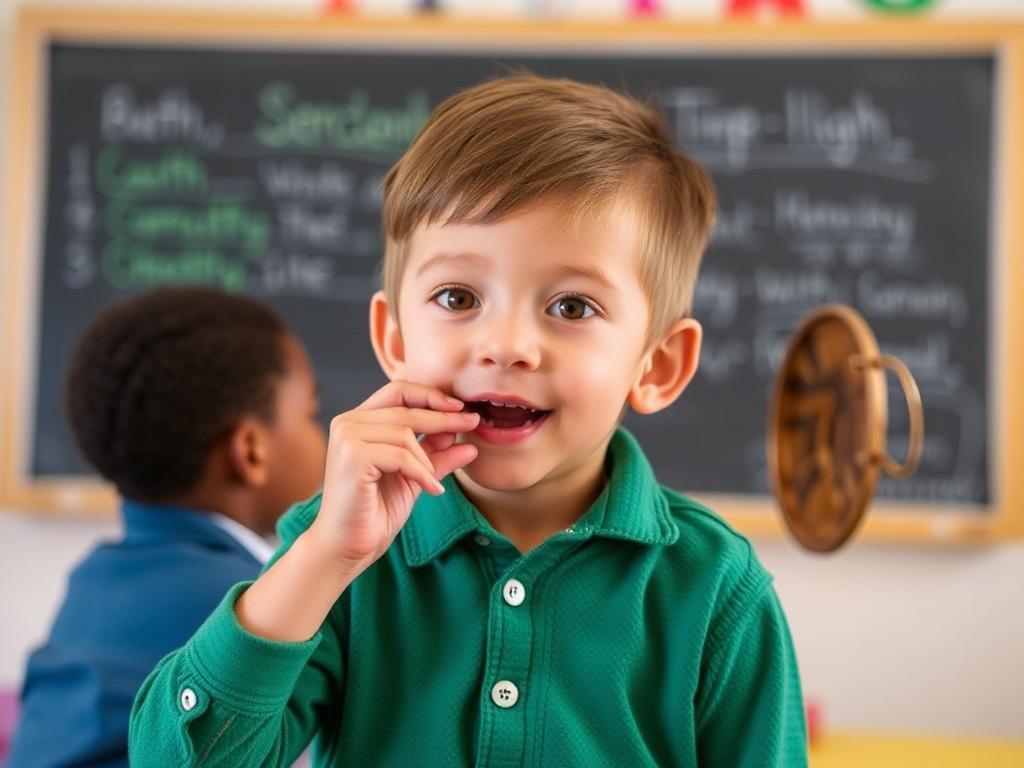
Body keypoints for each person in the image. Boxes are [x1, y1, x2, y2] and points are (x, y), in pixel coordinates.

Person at [129, 75, 808, 766]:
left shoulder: (717, 587)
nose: (507, 345)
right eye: (457, 296)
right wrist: (325, 560)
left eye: (572, 307)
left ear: (657, 365)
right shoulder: (335, 549)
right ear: (395, 340)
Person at [8, 287, 327, 768]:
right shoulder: (256, 603)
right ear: (252, 451)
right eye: (310, 414)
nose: (321, 433)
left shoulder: (93, 577)